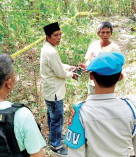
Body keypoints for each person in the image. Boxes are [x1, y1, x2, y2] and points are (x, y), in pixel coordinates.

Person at [65, 52, 136, 157]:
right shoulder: (133, 110)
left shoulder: (80, 112)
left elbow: (75, 154)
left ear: (91, 76)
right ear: (120, 77)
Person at [40, 22, 79, 156]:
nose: (59, 38)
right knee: (57, 118)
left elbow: (58, 65)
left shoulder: (47, 48)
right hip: (54, 92)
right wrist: (71, 74)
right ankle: (56, 146)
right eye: (55, 35)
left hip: (50, 90)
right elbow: (60, 73)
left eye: (60, 35)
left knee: (52, 117)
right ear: (48, 37)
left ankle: (54, 137)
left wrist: (69, 67)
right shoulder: (50, 51)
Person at [80, 21, 120, 95]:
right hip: (93, 83)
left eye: (108, 32)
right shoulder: (93, 45)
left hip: (107, 84)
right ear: (98, 33)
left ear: (111, 33)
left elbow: (115, 67)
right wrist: (86, 67)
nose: (105, 35)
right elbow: (89, 61)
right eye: (103, 32)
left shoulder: (114, 48)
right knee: (93, 104)